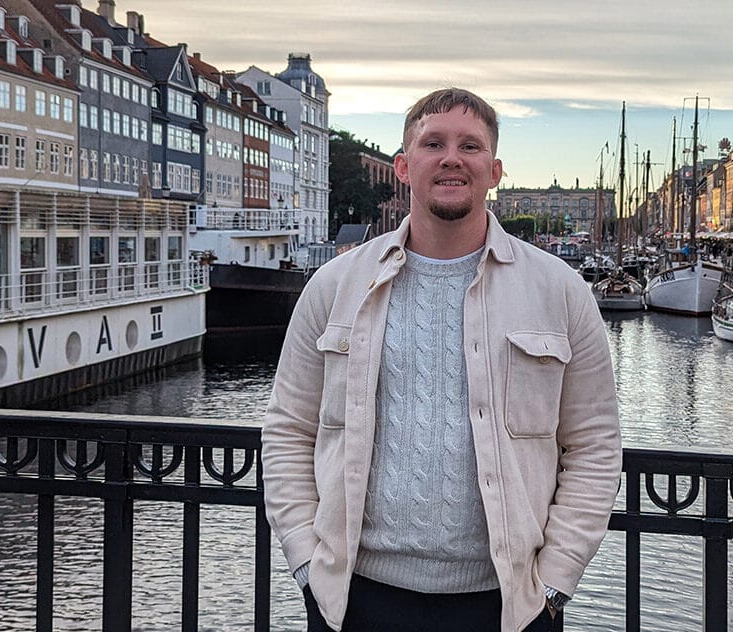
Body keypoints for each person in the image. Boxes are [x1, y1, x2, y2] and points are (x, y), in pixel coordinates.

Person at [261, 88, 622, 632]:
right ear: (405, 167)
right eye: (434, 143)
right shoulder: (335, 287)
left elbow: (595, 443)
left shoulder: (561, 293)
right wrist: (307, 562)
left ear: (494, 170)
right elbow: (288, 428)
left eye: (470, 146)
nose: (452, 158)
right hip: (356, 599)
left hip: (508, 607)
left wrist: (554, 581)